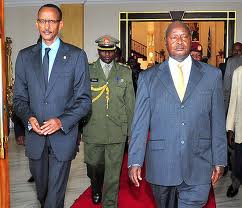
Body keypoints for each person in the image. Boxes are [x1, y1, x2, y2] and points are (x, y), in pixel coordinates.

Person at [128, 21, 227, 208]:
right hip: (162, 164)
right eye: (174, 37)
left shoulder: (212, 76)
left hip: (199, 163)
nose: (179, 41)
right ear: (166, 42)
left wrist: (220, 159)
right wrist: (134, 160)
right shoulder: (148, 77)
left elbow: (217, 121)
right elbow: (140, 123)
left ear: (191, 40)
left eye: (184, 36)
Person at [13, 4, 91, 208]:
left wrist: (61, 121)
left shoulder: (76, 56)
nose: (46, 26)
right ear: (37, 23)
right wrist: (28, 118)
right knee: (43, 192)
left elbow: (84, 100)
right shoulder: (24, 57)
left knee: (54, 196)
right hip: (35, 138)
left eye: (52, 21)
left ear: (60, 24)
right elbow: (19, 99)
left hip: (63, 138)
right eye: (42, 20)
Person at [82, 35, 135, 207]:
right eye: (103, 50)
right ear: (98, 51)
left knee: (113, 172)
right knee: (93, 164)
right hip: (93, 127)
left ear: (115, 51)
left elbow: (130, 104)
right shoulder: (88, 70)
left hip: (117, 130)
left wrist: (132, 132)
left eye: (110, 51)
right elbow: (80, 101)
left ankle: (110, 204)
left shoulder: (124, 72)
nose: (106, 54)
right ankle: (96, 186)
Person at [226, 65, 242, 198]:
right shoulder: (238, 72)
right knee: (237, 160)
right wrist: (230, 127)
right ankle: (235, 183)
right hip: (240, 126)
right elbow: (233, 101)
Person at [223, 42, 242, 111]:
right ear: (231, 51)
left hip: (232, 98)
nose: (236, 52)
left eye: (239, 50)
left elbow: (226, 85)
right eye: (235, 50)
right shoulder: (226, 62)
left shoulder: (230, 61)